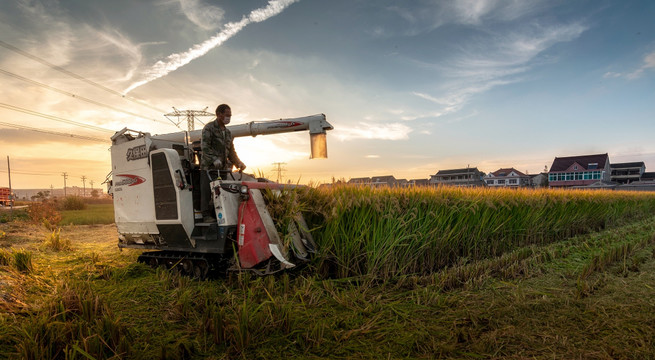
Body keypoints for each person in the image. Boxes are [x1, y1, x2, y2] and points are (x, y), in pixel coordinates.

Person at [200, 104, 246, 222]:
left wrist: (238, 163)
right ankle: (205, 215)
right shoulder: (209, 128)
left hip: (223, 169)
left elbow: (231, 151)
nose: (229, 118)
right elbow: (205, 147)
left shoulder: (228, 133)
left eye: (230, 115)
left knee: (222, 192)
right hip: (209, 168)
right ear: (219, 114)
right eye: (227, 115)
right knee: (207, 192)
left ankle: (220, 215)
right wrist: (214, 159)